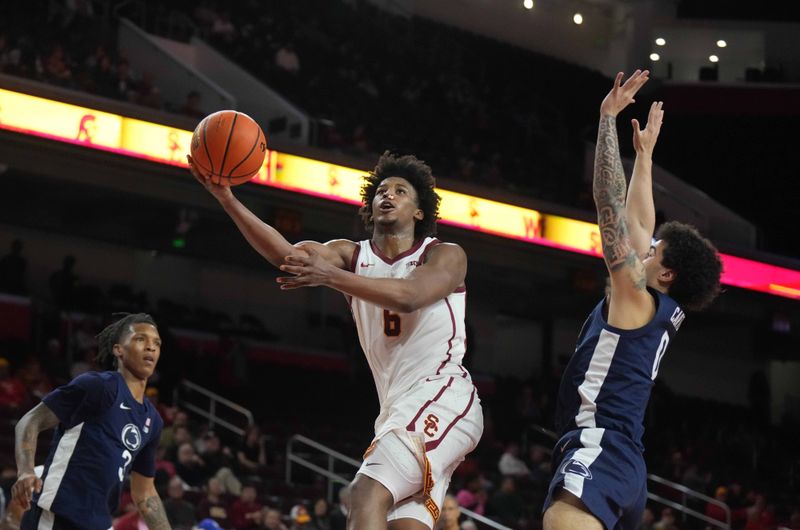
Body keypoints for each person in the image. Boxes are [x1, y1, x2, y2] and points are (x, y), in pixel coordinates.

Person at [189, 151, 483, 530]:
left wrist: (330, 277)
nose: (387, 195)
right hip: (396, 409)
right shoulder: (350, 254)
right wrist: (227, 198)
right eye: (380, 190)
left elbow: (409, 295)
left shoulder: (444, 254)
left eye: (400, 191)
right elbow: (288, 257)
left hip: (444, 396)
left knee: (365, 492)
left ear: (420, 212)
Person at [542, 70, 722, 530]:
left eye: (653, 252)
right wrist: (644, 158)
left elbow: (610, 206)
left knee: (560, 520)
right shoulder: (655, 307)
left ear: (664, 273)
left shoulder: (637, 298)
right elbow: (640, 223)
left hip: (600, 444)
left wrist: (606, 120)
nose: (644, 247)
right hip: (623, 458)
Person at [11, 313, 170, 530]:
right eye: (140, 339)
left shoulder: (153, 420)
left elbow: (145, 493)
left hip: (98, 524)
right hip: (56, 517)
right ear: (118, 349)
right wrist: (26, 471)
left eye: (157, 343)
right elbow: (30, 420)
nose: (151, 347)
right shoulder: (100, 386)